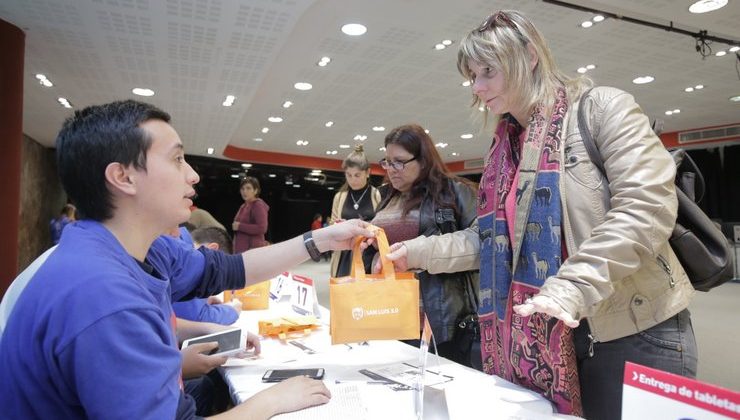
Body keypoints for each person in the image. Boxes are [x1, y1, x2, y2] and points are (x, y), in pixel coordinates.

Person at [382, 10, 697, 419]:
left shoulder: (602, 110)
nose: (477, 88)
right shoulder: (505, 149)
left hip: (634, 331)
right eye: (472, 77)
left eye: (487, 72)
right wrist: (416, 252)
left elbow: (646, 208)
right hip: (551, 336)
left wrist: (572, 286)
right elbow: (488, 239)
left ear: (529, 55)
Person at [0, 99, 374, 420]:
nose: (193, 175)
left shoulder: (132, 248)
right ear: (123, 177)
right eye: (177, 159)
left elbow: (229, 270)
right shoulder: (103, 293)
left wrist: (321, 240)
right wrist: (272, 401)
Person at [367, 124, 480, 369]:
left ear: (423, 160)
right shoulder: (388, 195)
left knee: (442, 392)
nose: (391, 170)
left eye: (399, 162)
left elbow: (481, 243)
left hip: (438, 319)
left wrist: (416, 252)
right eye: (387, 161)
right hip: (391, 313)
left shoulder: (455, 192)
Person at [171, 226, 242, 325]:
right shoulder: (186, 259)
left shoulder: (177, 244)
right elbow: (196, 318)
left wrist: (200, 299)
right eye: (216, 273)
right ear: (212, 249)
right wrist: (232, 310)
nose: (213, 279)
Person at [330, 144, 382, 276]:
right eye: (349, 175)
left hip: (370, 254)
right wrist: (338, 225)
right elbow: (332, 226)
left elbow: (382, 226)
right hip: (345, 255)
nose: (353, 180)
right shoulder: (339, 197)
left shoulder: (376, 195)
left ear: (368, 172)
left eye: (357, 175)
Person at [232, 176, 269, 253]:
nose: (244, 191)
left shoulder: (258, 205)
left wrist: (240, 226)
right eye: (242, 189)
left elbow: (262, 228)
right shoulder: (244, 205)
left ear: (256, 190)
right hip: (241, 251)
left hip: (252, 251)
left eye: (248, 188)